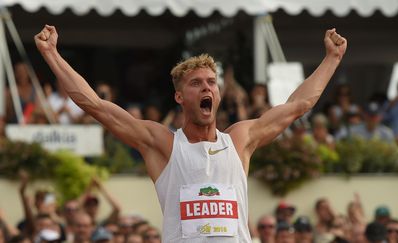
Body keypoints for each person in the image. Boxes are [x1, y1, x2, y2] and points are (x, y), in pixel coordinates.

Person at [35, 25, 347, 242]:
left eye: (211, 82)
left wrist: (332, 58)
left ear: (219, 94)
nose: (207, 87)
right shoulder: (164, 145)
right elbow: (96, 106)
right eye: (196, 83)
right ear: (180, 97)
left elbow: (297, 105)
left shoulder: (239, 140)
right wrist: (51, 54)